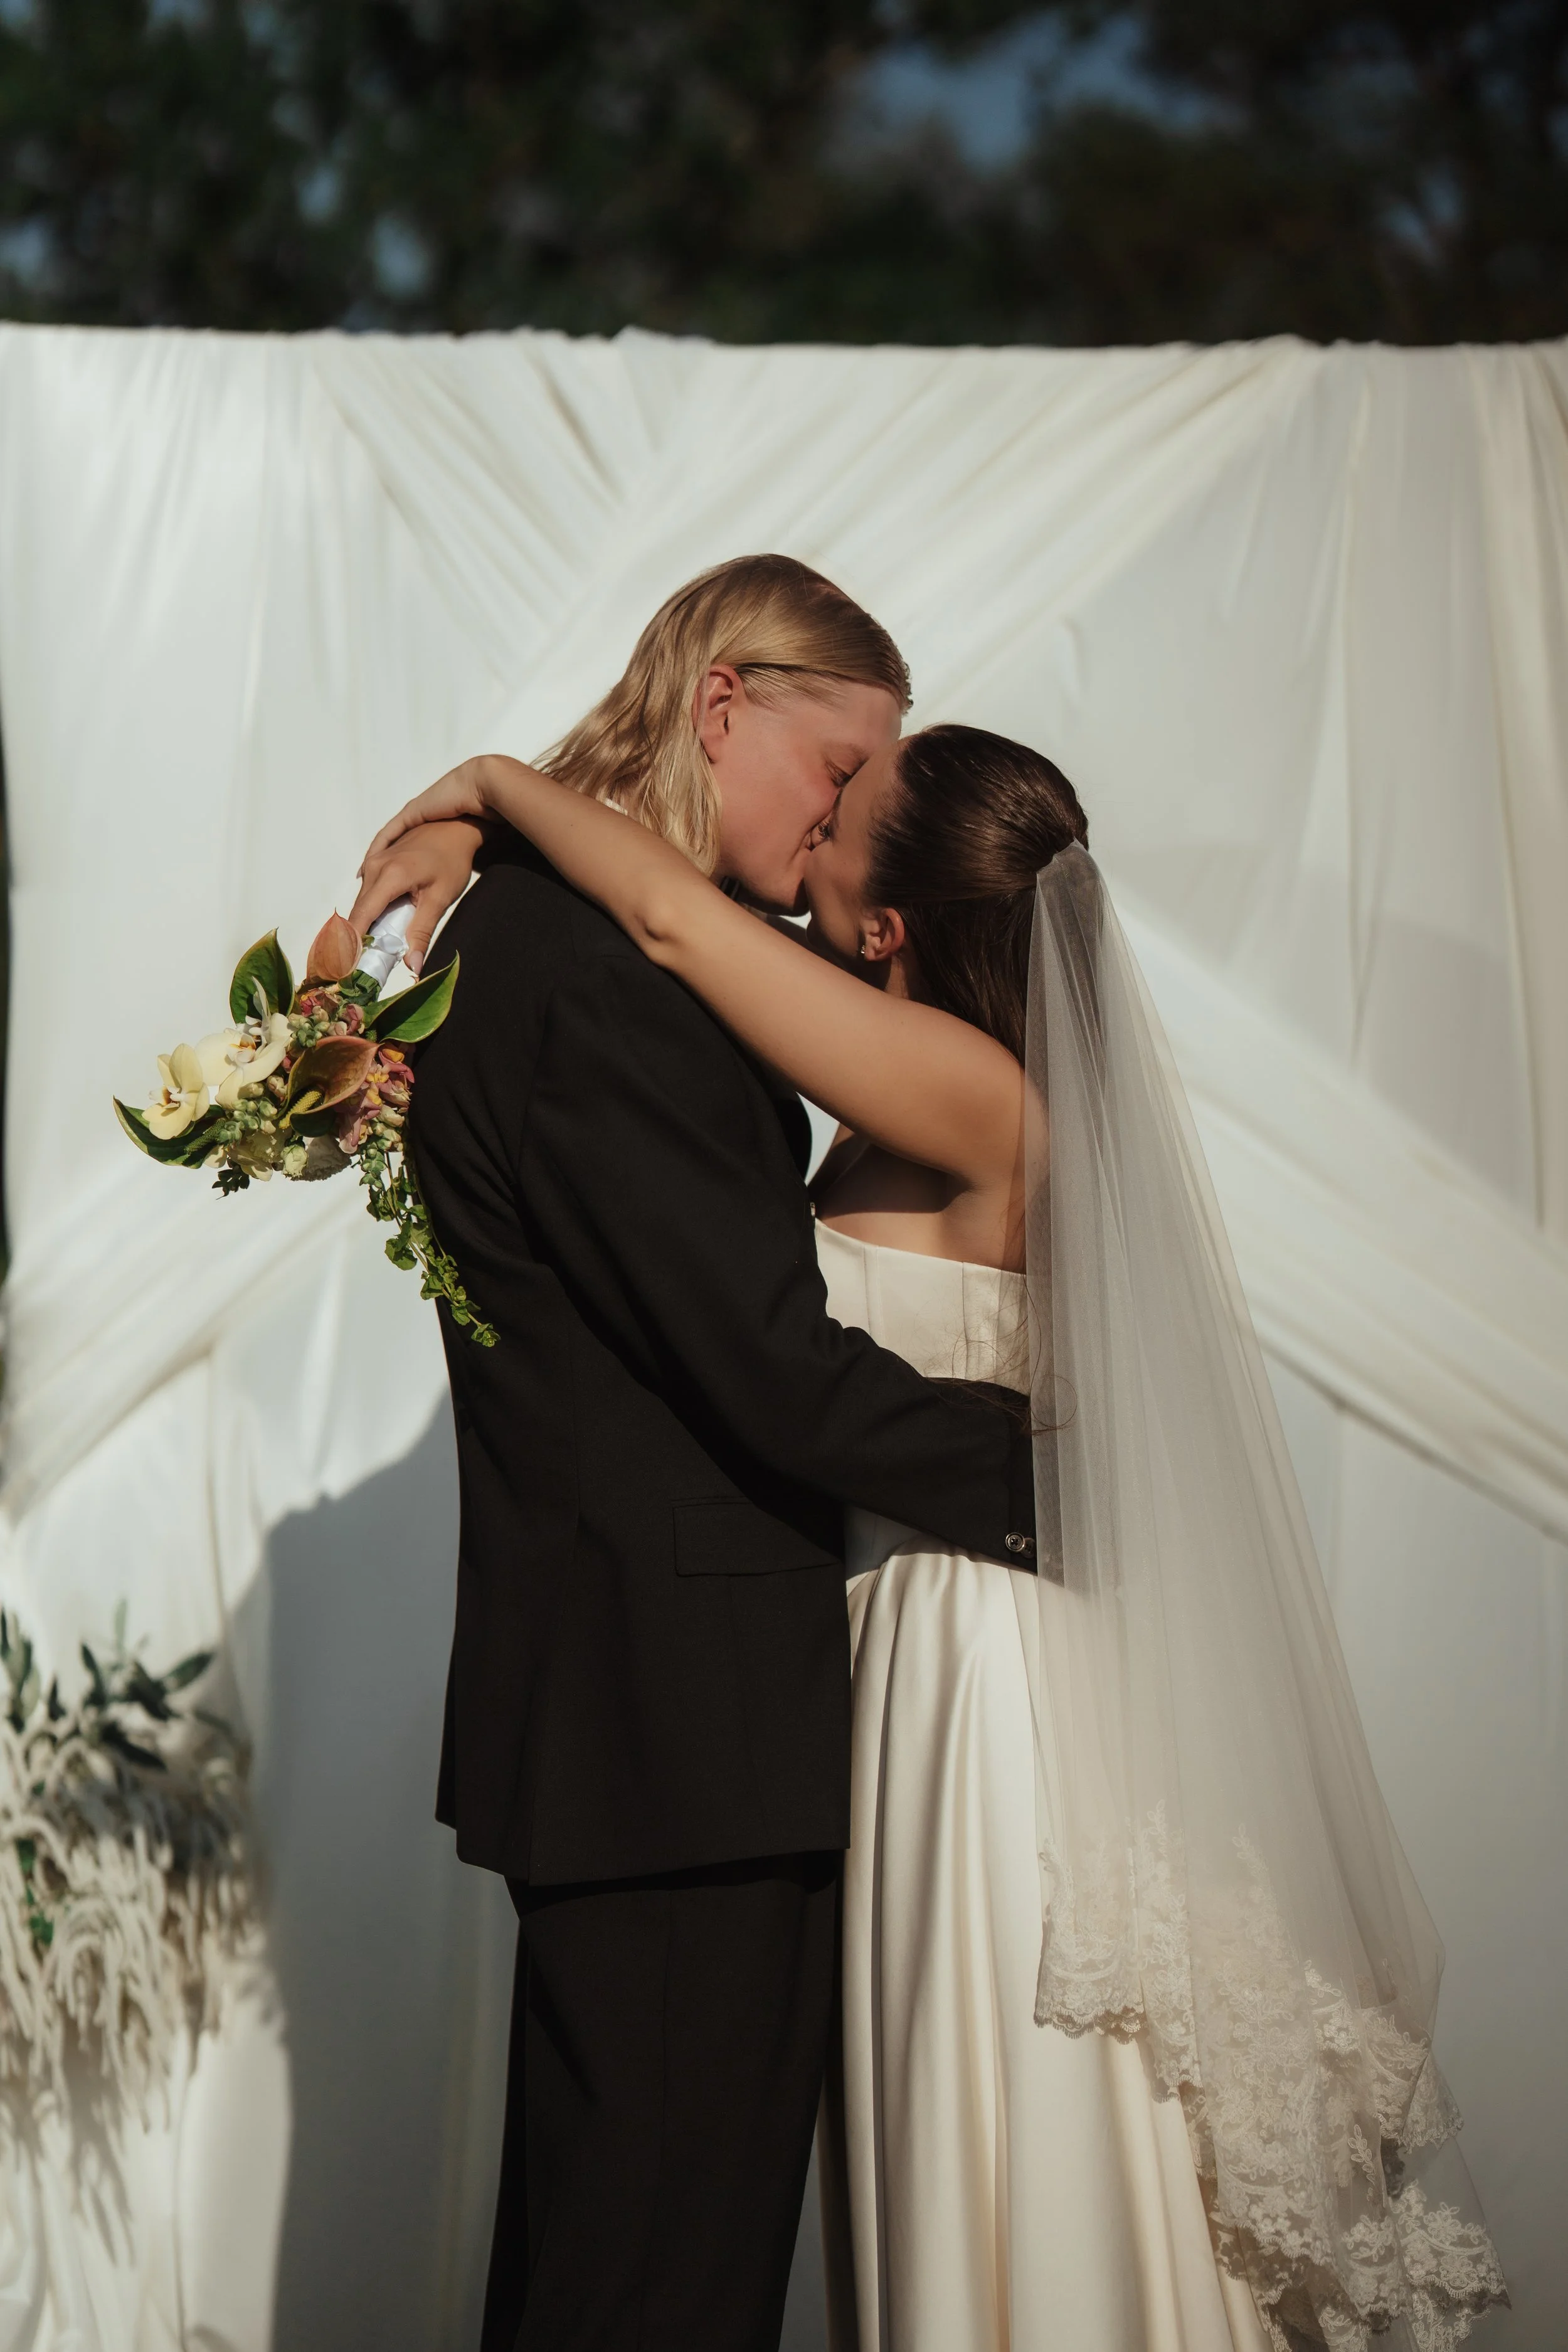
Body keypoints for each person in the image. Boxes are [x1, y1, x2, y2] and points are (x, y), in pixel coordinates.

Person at [356, 692, 1508, 2352]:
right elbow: (678, 943)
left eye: (835, 825)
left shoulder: (966, 1087)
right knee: (928, 2105)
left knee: (1008, 2089)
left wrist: (491, 782)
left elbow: (675, 923)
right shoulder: (917, 1058)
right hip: (895, 1646)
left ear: (890, 917)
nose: (802, 839)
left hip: (979, 1668)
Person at [347, 556, 1041, 2352]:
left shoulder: (555, 933)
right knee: (658, 2287)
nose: (836, 842)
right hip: (678, 1736)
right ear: (723, 704)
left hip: (641, 1724)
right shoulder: (605, 981)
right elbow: (770, 1371)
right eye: (836, 773)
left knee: (615, 2261)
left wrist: (500, 815)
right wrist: (1060, 1476)